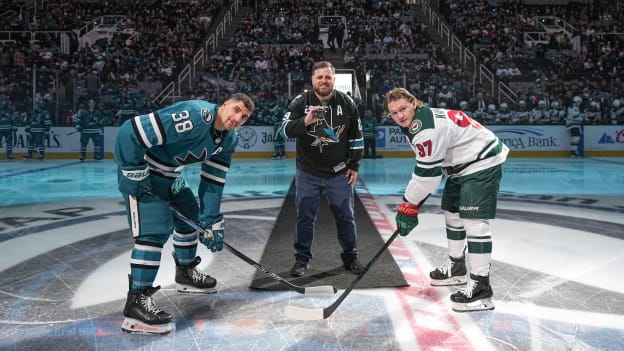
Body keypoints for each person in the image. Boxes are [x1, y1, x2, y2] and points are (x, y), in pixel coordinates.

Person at [113, 93, 254, 334]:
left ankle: (185, 272)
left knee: (191, 217)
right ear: (225, 105)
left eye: (244, 116)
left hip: (171, 176)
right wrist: (132, 170)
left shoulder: (229, 140)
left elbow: (214, 179)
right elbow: (130, 131)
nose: (238, 118)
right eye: (237, 110)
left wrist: (210, 219)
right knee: (153, 233)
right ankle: (135, 302)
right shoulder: (195, 115)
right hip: (146, 175)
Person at [383, 88, 508, 312]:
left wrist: (407, 205)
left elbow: (427, 176)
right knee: (452, 212)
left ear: (414, 103)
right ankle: (457, 266)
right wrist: (412, 204)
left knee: (474, 221)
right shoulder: (419, 121)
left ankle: (481, 287)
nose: (400, 116)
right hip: (460, 166)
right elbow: (433, 169)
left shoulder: (424, 128)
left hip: (482, 161)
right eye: (394, 113)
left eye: (403, 108)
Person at [278, 61, 364, 277]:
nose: (323, 81)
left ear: (334, 79)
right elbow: (283, 131)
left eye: (328, 77)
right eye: (319, 77)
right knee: (305, 217)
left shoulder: (347, 103)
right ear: (312, 80)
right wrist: (306, 121)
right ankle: (301, 259)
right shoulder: (300, 102)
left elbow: (356, 137)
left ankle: (350, 256)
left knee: (346, 215)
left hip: (339, 172)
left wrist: (354, 164)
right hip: (308, 171)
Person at [0, 95, 17, 160]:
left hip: (8, 129)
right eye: (2, 101)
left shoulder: (10, 109)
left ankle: (9, 154)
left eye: (4, 101)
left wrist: (14, 125)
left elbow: (13, 118)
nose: (3, 102)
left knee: (9, 143)